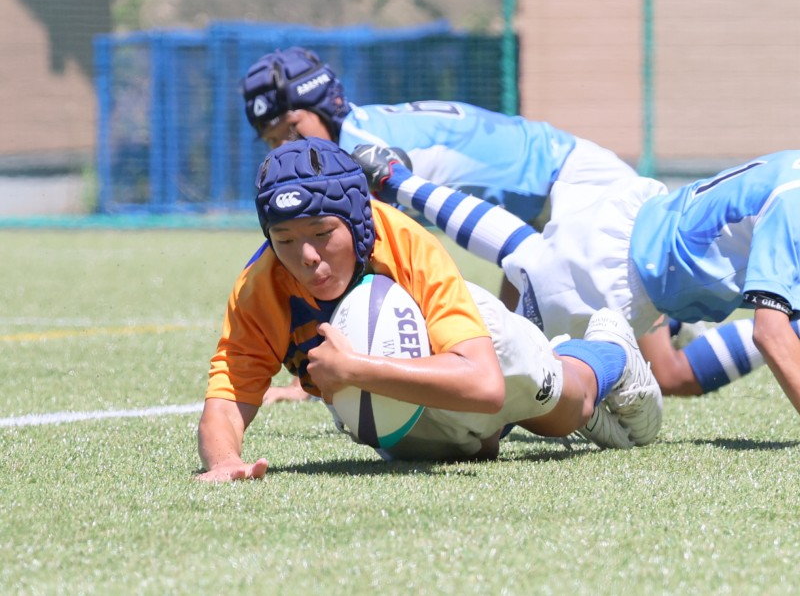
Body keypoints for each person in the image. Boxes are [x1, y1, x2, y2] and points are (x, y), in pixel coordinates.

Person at [240, 45, 764, 400]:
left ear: (324, 106)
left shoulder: (360, 151)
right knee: (523, 347)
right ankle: (691, 321)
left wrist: (338, 363)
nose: (286, 148)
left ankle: (781, 326)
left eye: (292, 128)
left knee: (661, 372)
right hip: (546, 208)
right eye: (272, 140)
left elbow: (382, 267)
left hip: (579, 196)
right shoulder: (361, 130)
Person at [195, 138, 663, 482]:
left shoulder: (404, 243)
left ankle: (609, 351)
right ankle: (493, 427)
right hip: (395, 390)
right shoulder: (260, 287)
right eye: (285, 240)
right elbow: (226, 402)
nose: (307, 256)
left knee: (567, 412)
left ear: (358, 223)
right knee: (473, 450)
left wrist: (354, 369)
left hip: (474, 348)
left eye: (322, 233)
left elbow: (484, 386)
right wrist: (225, 461)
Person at [352, 146, 800, 416]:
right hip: (617, 276)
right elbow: (770, 332)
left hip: (629, 226)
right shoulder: (792, 202)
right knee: (509, 382)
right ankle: (394, 373)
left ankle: (398, 181)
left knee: (525, 253)